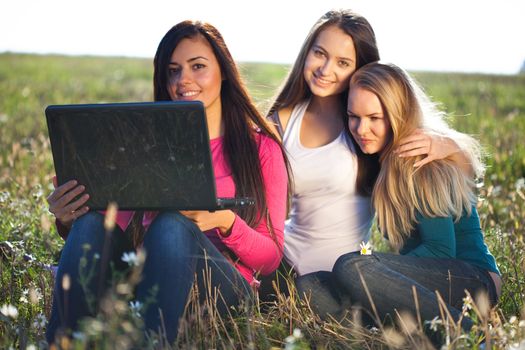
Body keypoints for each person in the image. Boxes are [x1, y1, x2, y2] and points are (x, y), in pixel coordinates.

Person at [45, 20, 289, 344]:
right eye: (172, 70)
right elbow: (110, 230)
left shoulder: (261, 149)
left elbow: (271, 257)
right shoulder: (146, 144)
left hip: (223, 292)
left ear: (225, 72)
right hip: (150, 281)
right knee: (91, 223)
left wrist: (224, 221)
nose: (182, 80)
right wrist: (68, 219)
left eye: (197, 66)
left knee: (172, 224)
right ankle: (63, 342)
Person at [261, 9, 477, 308]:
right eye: (319, 53)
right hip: (297, 264)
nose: (325, 69)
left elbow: (461, 180)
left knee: (352, 272)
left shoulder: (395, 142)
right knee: (308, 293)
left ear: (360, 69)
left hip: (359, 269)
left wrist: (450, 144)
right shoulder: (284, 123)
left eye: (343, 62)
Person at [332, 61, 501, 332]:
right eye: (354, 116)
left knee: (352, 267)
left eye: (374, 118)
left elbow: (441, 249)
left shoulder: (417, 159)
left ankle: (471, 337)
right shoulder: (382, 162)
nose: (361, 129)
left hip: (474, 281)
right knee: (311, 287)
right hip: (432, 280)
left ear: (397, 114)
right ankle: (396, 325)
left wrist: (374, 265)